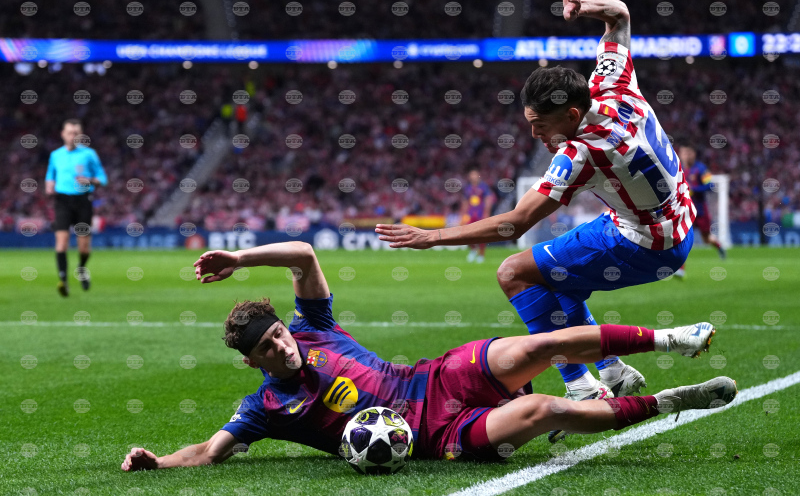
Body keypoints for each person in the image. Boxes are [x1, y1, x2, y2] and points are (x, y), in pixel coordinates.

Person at [376, 0, 697, 442]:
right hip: (674, 222)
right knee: (556, 275)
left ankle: (581, 385)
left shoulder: (582, 153)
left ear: (571, 115)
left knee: (514, 272)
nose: (535, 136)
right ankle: (610, 372)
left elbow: (515, 224)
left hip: (645, 243)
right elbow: (620, 14)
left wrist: (434, 237)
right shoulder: (614, 86)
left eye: (540, 125)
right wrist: (583, 9)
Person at [121, 242, 736, 470]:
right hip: (438, 436)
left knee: (542, 345)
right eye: (268, 348)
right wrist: (157, 462)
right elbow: (208, 452)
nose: (282, 346)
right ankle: (665, 402)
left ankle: (670, 339)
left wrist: (240, 259)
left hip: (437, 378)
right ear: (253, 362)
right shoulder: (264, 407)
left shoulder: (314, 327)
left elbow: (305, 255)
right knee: (546, 410)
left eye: (279, 333)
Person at [45, 119, 108, 296]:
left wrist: (91, 180)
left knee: (84, 247)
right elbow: (50, 174)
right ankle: (63, 280)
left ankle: (81, 268)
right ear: (63, 134)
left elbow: (103, 178)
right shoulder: (56, 155)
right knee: (61, 242)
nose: (72, 136)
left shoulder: (89, 154)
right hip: (62, 201)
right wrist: (49, 184)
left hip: (83, 201)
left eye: (76, 133)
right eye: (69, 132)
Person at [674, 146, 726, 278]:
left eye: (688, 153)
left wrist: (694, 189)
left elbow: (710, 185)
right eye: (683, 153)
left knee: (706, 239)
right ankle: (680, 268)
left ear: (693, 154)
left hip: (700, 209)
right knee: (682, 236)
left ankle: (719, 246)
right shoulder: (678, 168)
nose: (686, 155)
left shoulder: (701, 169)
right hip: (685, 209)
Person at [462, 168, 496, 264]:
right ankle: (473, 250)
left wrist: (486, 213)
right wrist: (463, 214)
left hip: (480, 214)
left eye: (475, 175)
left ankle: (481, 255)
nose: (474, 177)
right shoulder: (467, 188)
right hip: (470, 214)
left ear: (478, 176)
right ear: (469, 177)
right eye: (472, 175)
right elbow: (465, 202)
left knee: (481, 234)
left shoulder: (483, 187)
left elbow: (488, 199)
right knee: (466, 234)